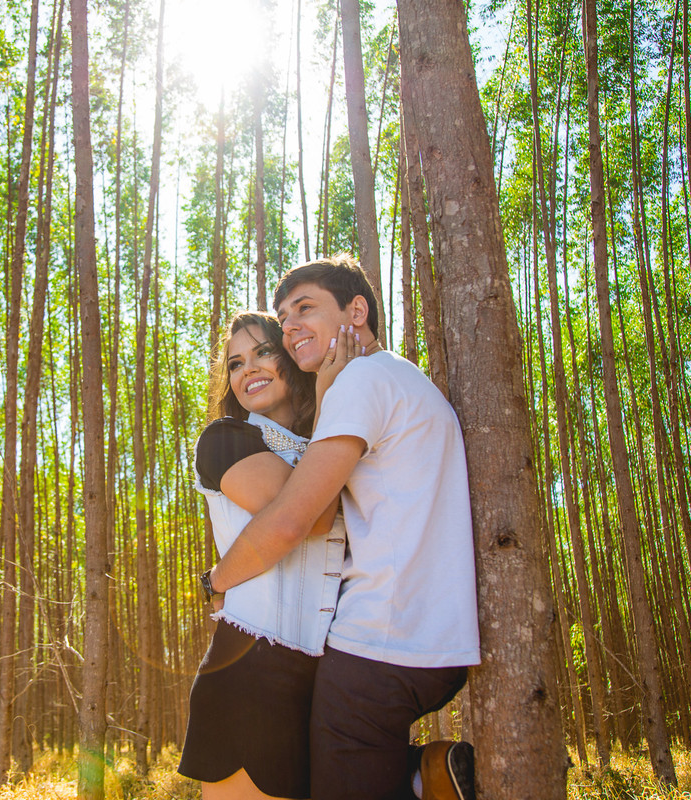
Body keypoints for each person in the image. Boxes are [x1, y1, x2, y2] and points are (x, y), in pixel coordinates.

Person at [206, 255, 481, 800]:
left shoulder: (360, 382)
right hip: (434, 639)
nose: (290, 326)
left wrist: (216, 582)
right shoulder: (401, 377)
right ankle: (424, 776)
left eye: (305, 308)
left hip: (380, 641)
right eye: (284, 318)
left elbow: (293, 520)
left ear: (357, 310)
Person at [178, 311, 354, 800]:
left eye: (262, 352)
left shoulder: (337, 442)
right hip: (251, 675)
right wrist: (329, 401)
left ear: (291, 356)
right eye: (235, 363)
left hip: (333, 681)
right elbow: (309, 517)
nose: (247, 369)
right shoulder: (225, 440)